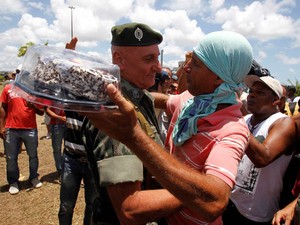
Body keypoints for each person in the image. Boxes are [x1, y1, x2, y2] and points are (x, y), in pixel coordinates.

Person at [83, 30, 254, 224]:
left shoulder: (232, 130)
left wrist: (133, 135)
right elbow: (161, 100)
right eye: (149, 59)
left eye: (196, 64)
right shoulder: (193, 102)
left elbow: (214, 202)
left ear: (218, 78)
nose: (186, 68)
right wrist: (106, 90)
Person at [81, 22, 178, 225]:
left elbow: (154, 99)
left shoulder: (140, 97)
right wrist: (196, 192)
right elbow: (130, 208)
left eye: (157, 57)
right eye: (149, 59)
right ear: (119, 60)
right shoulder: (115, 111)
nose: (158, 67)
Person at [222, 75, 297, 225]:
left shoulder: (283, 123)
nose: (252, 95)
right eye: (251, 91)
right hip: (230, 201)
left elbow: (262, 158)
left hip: (256, 213)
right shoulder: (245, 119)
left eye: (260, 93)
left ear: (276, 100)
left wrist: (235, 118)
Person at [58, 37, 97, 225]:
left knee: (92, 205)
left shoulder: (99, 102)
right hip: (71, 160)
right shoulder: (71, 97)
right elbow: (60, 79)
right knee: (66, 206)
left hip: (92, 163)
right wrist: (68, 55)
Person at [0, 82, 44, 195]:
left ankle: (33, 177)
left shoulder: (32, 90)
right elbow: (3, 108)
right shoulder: (8, 88)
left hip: (30, 128)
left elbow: (41, 111)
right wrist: (1, 126)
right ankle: (13, 182)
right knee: (11, 158)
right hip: (11, 128)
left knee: (33, 155)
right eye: (17, 73)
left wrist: (33, 106)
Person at [45, 106, 66, 175]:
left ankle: (68, 169)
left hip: (68, 124)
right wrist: (59, 117)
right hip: (56, 125)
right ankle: (60, 170)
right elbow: (47, 110)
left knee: (70, 148)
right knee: (57, 149)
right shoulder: (53, 95)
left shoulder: (68, 95)